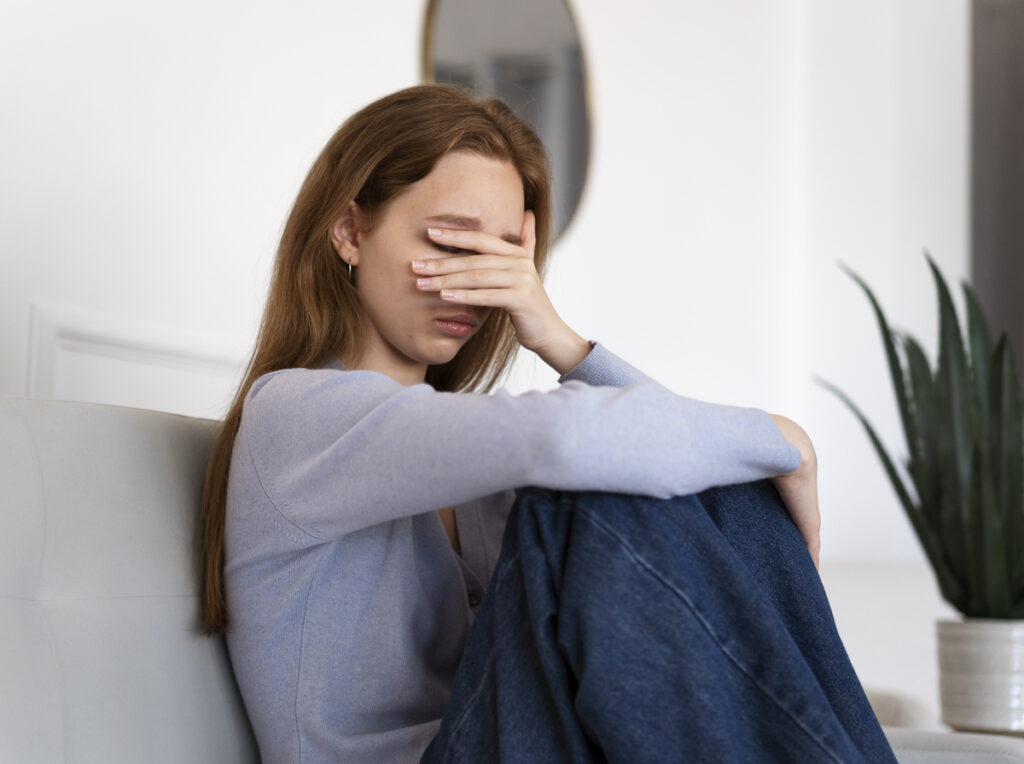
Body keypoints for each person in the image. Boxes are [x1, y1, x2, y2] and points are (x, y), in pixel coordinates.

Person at [197, 84, 896, 763]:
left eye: (505, 254)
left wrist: (560, 338)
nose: (479, 283)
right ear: (350, 231)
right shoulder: (293, 414)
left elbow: (665, 460)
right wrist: (783, 439)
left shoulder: (465, 459)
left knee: (721, 486)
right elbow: (574, 441)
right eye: (451, 241)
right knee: (594, 489)